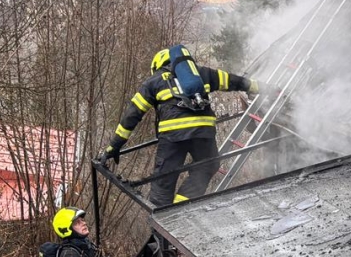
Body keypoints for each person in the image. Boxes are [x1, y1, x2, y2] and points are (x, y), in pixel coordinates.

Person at [101, 45, 256, 207]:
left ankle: (161, 225)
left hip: (173, 134)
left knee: (163, 183)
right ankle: (182, 206)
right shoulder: (200, 73)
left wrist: (114, 146)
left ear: (157, 66)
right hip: (203, 131)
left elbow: (132, 115)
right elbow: (235, 81)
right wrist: (262, 88)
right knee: (207, 166)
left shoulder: (153, 82)